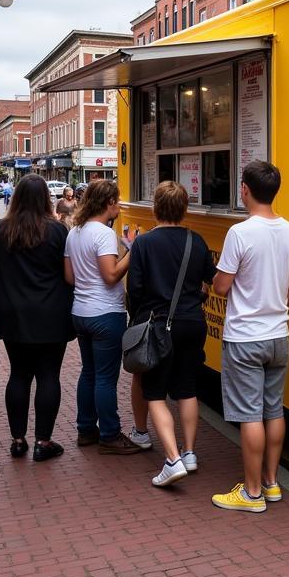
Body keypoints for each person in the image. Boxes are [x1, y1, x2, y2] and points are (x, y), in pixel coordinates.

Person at [211, 160, 289, 513]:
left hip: (245, 337)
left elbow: (221, 286)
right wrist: (274, 303)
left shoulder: (240, 233)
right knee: (273, 411)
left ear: (245, 190)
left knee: (250, 415)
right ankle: (271, 482)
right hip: (278, 334)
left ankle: (251, 494)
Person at [127, 181, 217, 487]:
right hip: (193, 323)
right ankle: (190, 452)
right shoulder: (197, 240)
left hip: (158, 325)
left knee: (154, 393)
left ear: (155, 208)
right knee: (187, 389)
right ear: (184, 209)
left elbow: (135, 289)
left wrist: (138, 315)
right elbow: (210, 280)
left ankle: (172, 458)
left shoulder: (143, 244)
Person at [0, 175, 74, 462]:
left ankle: (18, 439)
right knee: (49, 376)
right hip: (51, 313)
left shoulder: (0, 230)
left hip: (13, 314)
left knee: (19, 374)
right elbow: (69, 275)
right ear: (46, 198)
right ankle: (43, 441)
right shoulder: (58, 231)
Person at [64, 179, 139, 454]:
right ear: (108, 203)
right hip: (106, 312)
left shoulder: (75, 232)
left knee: (89, 373)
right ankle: (109, 434)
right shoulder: (104, 234)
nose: (119, 206)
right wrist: (133, 250)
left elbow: (69, 277)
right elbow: (110, 276)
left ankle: (86, 430)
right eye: (117, 201)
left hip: (80, 312)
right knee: (106, 378)